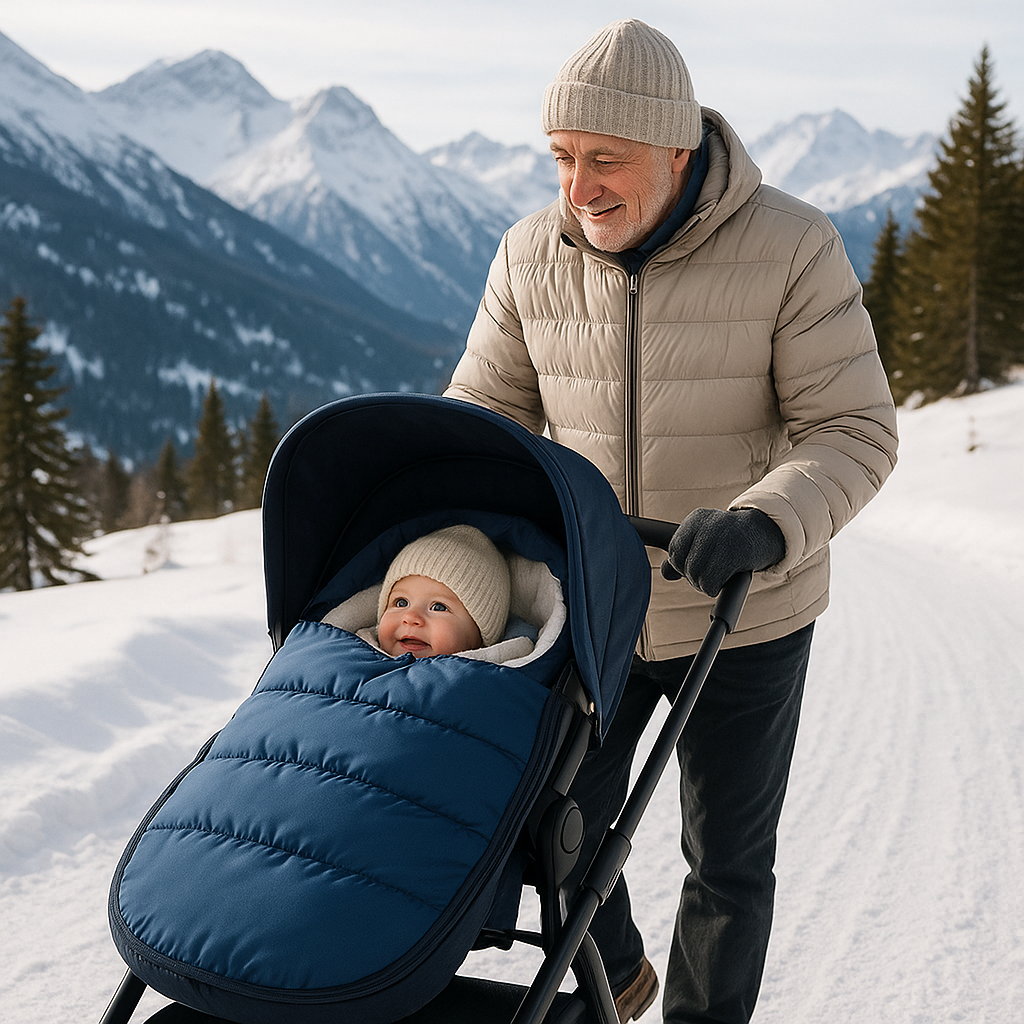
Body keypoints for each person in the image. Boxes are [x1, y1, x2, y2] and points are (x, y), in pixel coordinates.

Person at [444, 18, 898, 1024]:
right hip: (597, 607)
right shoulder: (530, 254)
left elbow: (852, 428)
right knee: (547, 824)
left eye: (607, 159)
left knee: (727, 861)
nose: (580, 188)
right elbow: (484, 418)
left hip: (744, 606)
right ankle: (621, 970)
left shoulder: (791, 246)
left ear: (679, 151)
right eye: (562, 159)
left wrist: (766, 520)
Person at [374, 524, 512, 659]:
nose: (410, 617)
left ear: (479, 638)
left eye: (439, 607)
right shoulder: (356, 653)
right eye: (401, 603)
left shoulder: (492, 678)